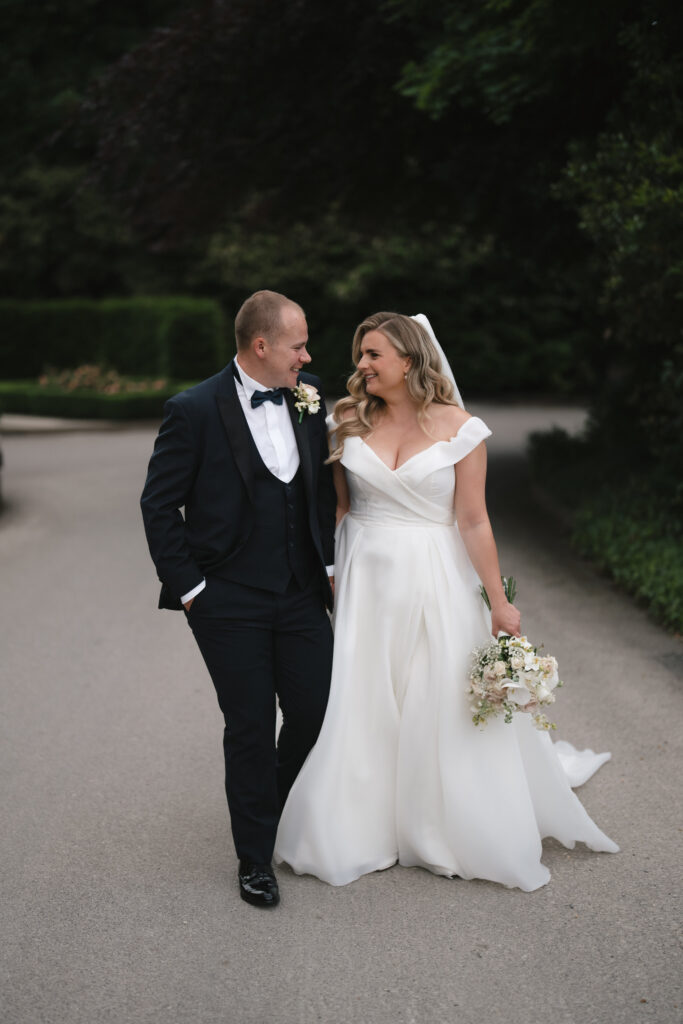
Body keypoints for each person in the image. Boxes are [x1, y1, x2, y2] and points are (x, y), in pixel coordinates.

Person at [274, 312, 618, 891]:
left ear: (409, 360)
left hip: (436, 574)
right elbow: (339, 508)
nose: (360, 365)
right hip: (367, 576)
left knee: (436, 696)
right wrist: (330, 570)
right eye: (361, 354)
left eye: (373, 355)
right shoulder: (345, 420)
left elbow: (474, 519)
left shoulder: (463, 429)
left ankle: (439, 824)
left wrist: (497, 601)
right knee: (367, 697)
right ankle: (361, 823)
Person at [140, 290, 336, 908]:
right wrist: (195, 589)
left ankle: (270, 807)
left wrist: (328, 564)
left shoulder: (311, 397)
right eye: (298, 344)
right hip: (227, 599)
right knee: (250, 725)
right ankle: (255, 858)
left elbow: (323, 492)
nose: (307, 355)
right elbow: (158, 505)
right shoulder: (193, 410)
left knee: (313, 712)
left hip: (301, 590)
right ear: (261, 345)